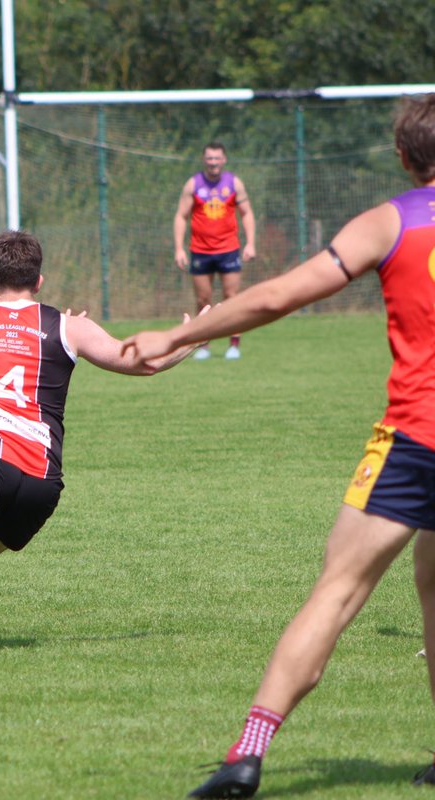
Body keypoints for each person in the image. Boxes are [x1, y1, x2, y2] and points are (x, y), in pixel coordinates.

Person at [122, 94, 435, 798]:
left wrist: (178, 334)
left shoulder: (391, 219)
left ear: (404, 157)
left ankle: (248, 753)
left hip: (419, 436)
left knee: (338, 591)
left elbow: (279, 297)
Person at [0, 230, 201, 669]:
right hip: (40, 482)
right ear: (40, 280)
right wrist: (195, 336)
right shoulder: (69, 328)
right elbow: (145, 362)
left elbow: (6, 339)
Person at [173, 141, 256, 360]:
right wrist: (178, 248)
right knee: (203, 300)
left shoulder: (234, 183)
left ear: (224, 160)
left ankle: (234, 345)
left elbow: (246, 213)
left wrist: (250, 243)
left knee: (231, 298)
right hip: (200, 250)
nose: (213, 162)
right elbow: (181, 216)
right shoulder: (193, 184)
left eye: (217, 158)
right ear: (204, 160)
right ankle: (203, 345)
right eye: (209, 158)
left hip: (229, 249)